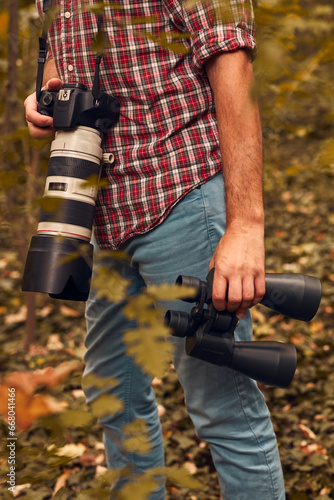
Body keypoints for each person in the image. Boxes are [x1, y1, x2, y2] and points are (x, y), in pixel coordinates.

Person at [25, 0, 285, 498]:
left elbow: (232, 58)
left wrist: (247, 224)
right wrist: (46, 94)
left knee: (223, 408)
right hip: (105, 210)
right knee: (111, 391)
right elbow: (69, 56)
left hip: (185, 193)